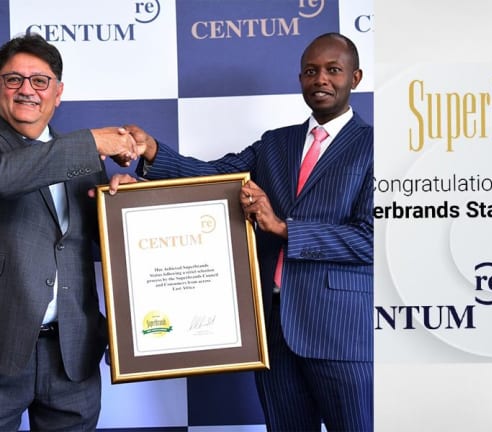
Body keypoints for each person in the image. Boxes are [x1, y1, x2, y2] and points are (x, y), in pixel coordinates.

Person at [118, 32, 373, 431]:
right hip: (271, 329)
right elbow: (213, 177)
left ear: (355, 78)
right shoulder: (275, 144)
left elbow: (372, 239)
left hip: (340, 331)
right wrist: (152, 152)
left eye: (333, 70)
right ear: (300, 79)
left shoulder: (376, 146)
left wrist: (284, 228)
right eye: (311, 71)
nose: (321, 79)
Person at [0, 33, 139, 430]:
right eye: (13, 79)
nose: (27, 90)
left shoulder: (82, 160)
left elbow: (99, 244)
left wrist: (122, 203)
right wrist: (93, 142)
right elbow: (7, 177)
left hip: (72, 355)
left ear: (58, 93)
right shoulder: (82, 150)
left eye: (39, 81)